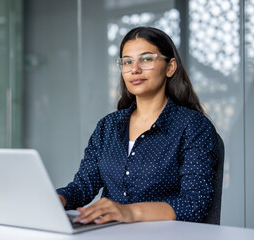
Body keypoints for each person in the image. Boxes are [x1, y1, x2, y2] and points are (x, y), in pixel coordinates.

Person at [56, 27, 220, 224]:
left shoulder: (193, 126)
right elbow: (83, 186)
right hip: (110, 234)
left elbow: (194, 203)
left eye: (146, 59)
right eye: (127, 62)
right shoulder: (107, 126)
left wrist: (129, 212)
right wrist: (57, 199)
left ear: (170, 67)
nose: (134, 69)